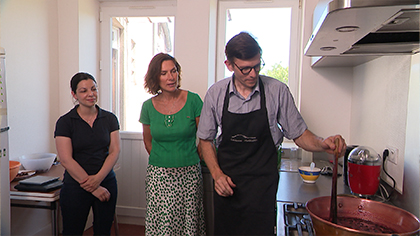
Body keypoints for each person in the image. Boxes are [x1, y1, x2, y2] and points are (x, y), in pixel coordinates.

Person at [197, 32, 347, 235]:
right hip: (227, 185)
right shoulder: (216, 94)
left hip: (262, 187)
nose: (253, 74)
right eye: (245, 69)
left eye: (257, 66)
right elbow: (205, 140)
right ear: (229, 65)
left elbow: (299, 134)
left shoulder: (277, 91)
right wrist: (217, 175)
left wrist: (322, 143)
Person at [139, 53, 206, 236]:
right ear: (155, 77)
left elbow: (205, 136)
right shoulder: (147, 107)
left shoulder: (194, 100)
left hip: (190, 175)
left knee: (189, 223)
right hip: (159, 176)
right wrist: (164, 159)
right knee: (163, 224)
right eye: (164, 73)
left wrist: (192, 155)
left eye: (173, 71)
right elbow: (148, 141)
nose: (170, 77)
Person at [54, 72, 120, 236]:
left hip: (106, 181)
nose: (90, 94)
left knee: (103, 230)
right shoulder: (65, 122)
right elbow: (66, 159)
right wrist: (94, 188)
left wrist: (98, 180)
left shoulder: (110, 119)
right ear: (74, 94)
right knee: (72, 231)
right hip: (75, 185)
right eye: (83, 91)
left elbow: (114, 151)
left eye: (93, 89)